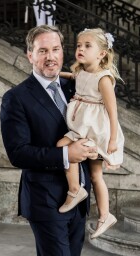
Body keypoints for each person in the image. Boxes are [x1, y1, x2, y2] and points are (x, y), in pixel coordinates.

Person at [0, 25, 97, 256]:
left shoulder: (74, 86)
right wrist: (67, 155)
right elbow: (18, 153)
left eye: (55, 50)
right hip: (45, 198)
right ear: (30, 55)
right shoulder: (16, 98)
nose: (50, 56)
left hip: (79, 195)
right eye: (42, 51)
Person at [57, 28, 124, 239]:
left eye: (87, 46)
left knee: (63, 147)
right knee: (95, 175)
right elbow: (74, 76)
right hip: (81, 127)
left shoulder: (104, 78)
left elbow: (113, 112)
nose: (80, 49)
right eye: (79, 45)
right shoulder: (83, 72)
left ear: (101, 54)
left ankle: (75, 190)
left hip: (93, 130)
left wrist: (112, 140)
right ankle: (105, 215)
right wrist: (53, 73)